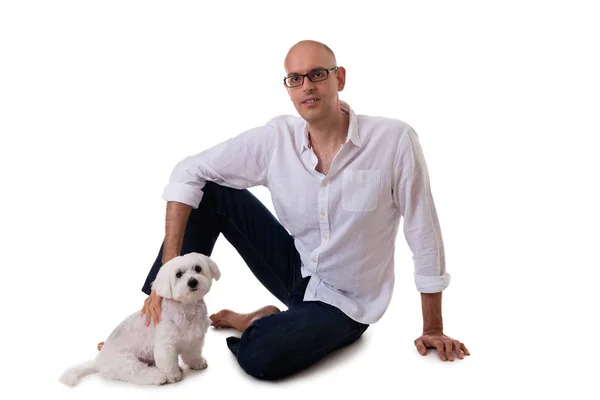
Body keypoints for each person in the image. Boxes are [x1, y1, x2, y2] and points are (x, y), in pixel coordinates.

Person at [97, 40, 470, 380]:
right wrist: (168, 271)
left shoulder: (393, 140)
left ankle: (259, 322)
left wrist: (433, 327)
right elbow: (187, 172)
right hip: (298, 269)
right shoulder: (277, 139)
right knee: (207, 191)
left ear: (338, 78)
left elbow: (423, 229)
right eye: (296, 78)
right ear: (289, 89)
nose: (307, 85)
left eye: (318, 75)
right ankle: (150, 326)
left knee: (261, 357)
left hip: (348, 305)